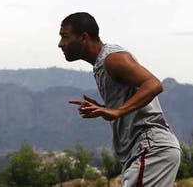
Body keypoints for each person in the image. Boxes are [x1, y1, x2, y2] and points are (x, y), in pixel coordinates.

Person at [58, 12, 180, 186]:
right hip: (147, 150)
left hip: (150, 148)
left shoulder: (112, 59)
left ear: (84, 37)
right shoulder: (101, 64)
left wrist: (117, 111)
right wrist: (104, 108)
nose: (60, 44)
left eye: (65, 37)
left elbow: (153, 84)